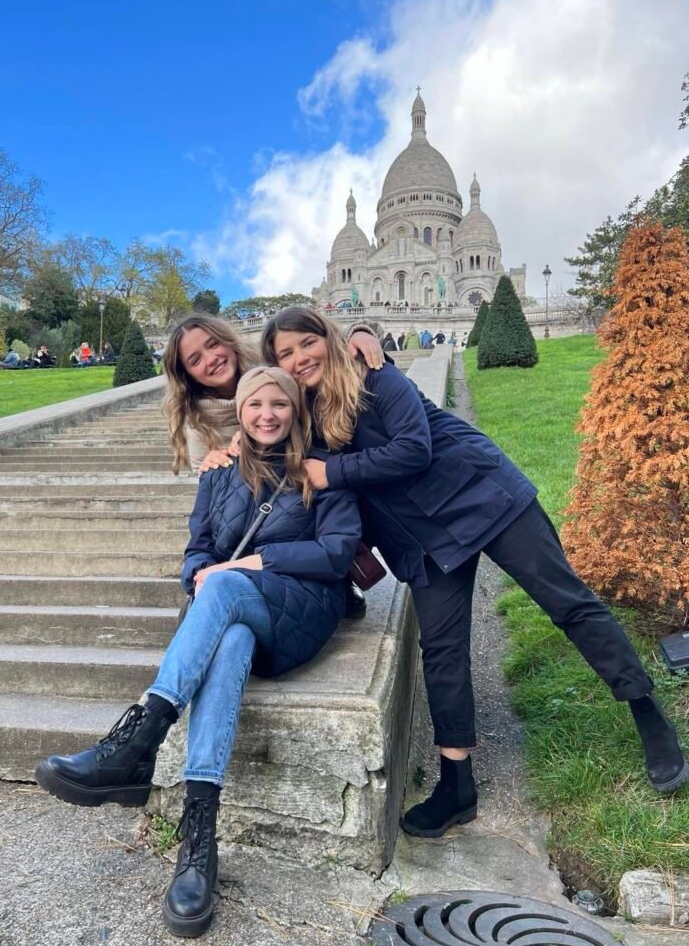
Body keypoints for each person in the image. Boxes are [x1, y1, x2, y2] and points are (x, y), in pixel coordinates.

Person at [262, 307, 688, 840]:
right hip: (420, 538)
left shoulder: (377, 376)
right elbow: (252, 403)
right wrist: (235, 445)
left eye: (307, 343)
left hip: (483, 498)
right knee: (441, 651)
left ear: (329, 339)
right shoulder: (302, 421)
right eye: (285, 354)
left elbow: (414, 449)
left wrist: (337, 466)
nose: (299, 358)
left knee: (568, 604)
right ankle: (456, 784)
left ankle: (646, 711)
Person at [35, 365, 361, 937]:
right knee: (229, 635)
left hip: (301, 613)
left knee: (228, 584)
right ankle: (199, 840)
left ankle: (139, 738)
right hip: (237, 619)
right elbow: (197, 552)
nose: (267, 415)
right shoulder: (217, 474)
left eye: (278, 404)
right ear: (239, 411)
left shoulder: (323, 468)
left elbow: (337, 555)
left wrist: (246, 565)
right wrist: (200, 575)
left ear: (295, 409)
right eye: (255, 404)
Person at [162, 313, 382, 620]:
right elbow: (212, 502)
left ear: (228, 340)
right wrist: (214, 460)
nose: (211, 359)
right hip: (253, 498)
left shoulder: (266, 365)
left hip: (301, 467)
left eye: (214, 345)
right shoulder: (197, 420)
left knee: (331, 484)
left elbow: (309, 342)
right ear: (187, 374)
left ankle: (340, 576)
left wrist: (357, 333)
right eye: (196, 359)